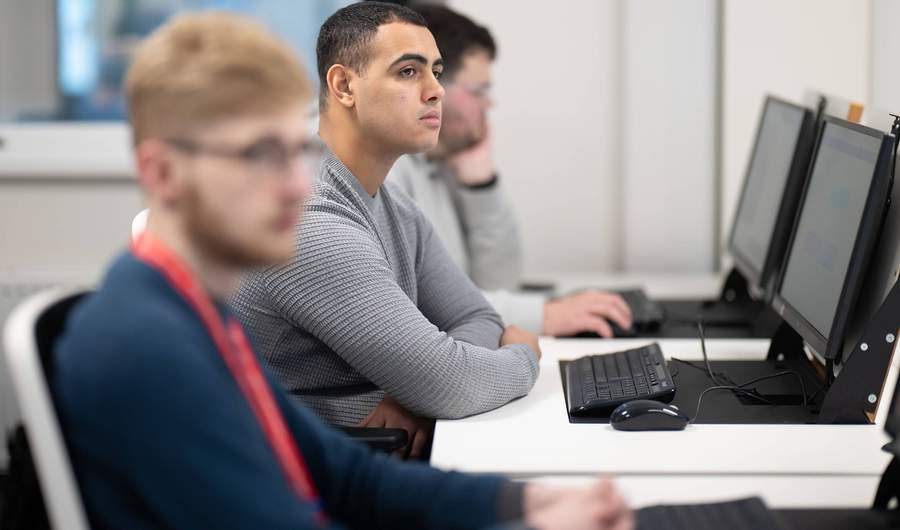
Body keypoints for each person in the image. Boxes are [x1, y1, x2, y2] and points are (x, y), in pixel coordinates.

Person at [53, 11, 634, 530]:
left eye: (295, 152)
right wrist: (520, 355)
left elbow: (347, 478)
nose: (298, 185)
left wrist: (524, 507)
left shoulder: (198, 310)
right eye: (260, 154)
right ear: (161, 175)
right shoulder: (148, 344)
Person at [232, 2, 540, 454]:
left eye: (436, 72)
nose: (437, 91)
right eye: (409, 72)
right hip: (304, 479)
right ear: (343, 86)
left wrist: (415, 391)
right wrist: (525, 355)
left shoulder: (388, 201)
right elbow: (453, 383)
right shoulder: (310, 225)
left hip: (367, 455)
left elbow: (475, 317)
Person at [387, 4, 633, 339]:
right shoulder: (387, 170)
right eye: (479, 91)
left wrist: (480, 186)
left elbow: (498, 283)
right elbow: (412, 309)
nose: (489, 104)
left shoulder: (436, 161)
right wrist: (545, 315)